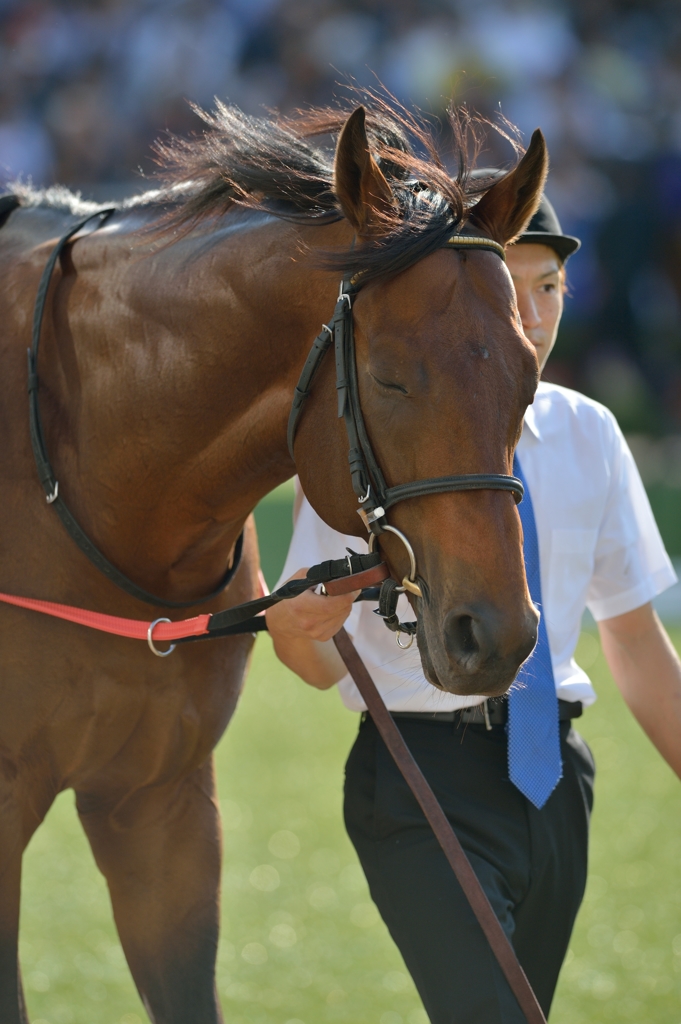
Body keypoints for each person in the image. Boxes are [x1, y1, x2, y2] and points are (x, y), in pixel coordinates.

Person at [265, 191, 681, 1023]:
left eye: (549, 287)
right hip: (417, 769)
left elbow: (636, 645)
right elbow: (310, 659)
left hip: (554, 778)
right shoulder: (373, 434)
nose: (531, 312)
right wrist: (292, 626)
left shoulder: (591, 433)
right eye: (508, 287)